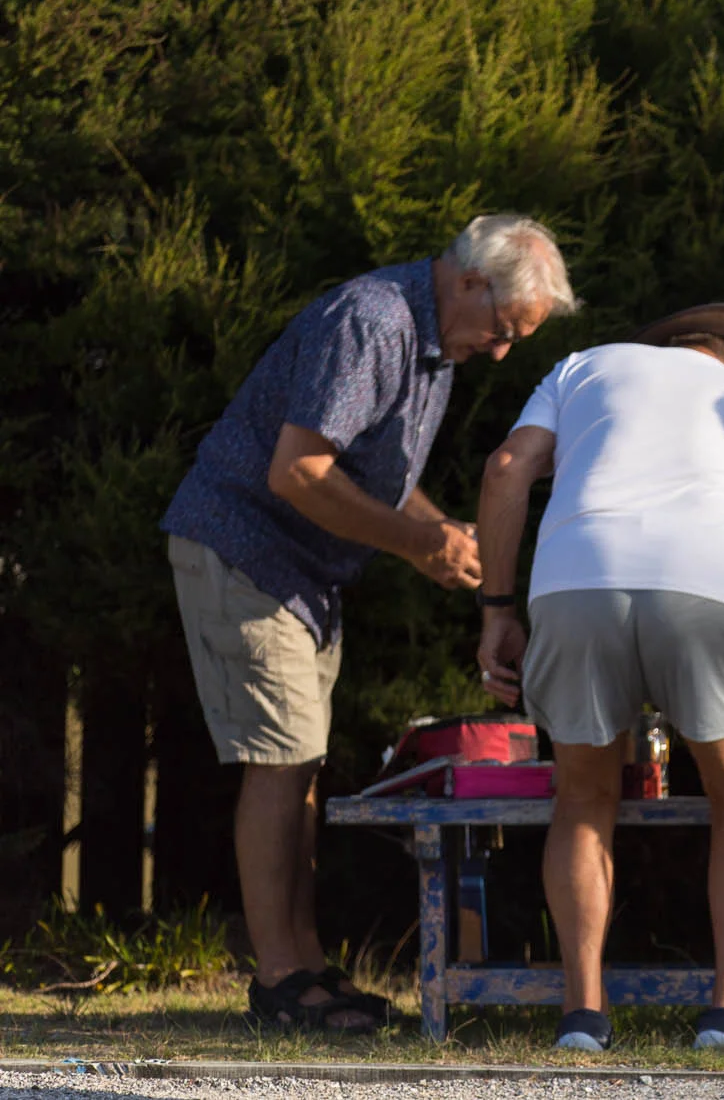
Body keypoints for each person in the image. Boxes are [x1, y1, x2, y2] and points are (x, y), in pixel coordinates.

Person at [160, 214, 575, 1030]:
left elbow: (370, 476)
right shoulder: (373, 321)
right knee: (279, 761)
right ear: (466, 282)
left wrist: (435, 538)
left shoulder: (431, 342)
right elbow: (298, 470)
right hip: (245, 551)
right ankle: (279, 981)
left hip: (301, 576)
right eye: (501, 330)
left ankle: (306, 962)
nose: (499, 350)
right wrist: (421, 541)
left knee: (301, 765)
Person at [475, 302, 724, 1054]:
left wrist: (498, 607)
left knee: (583, 798)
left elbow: (507, 468)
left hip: (576, 583)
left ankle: (582, 1017)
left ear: (665, 349)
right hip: (712, 591)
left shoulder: (586, 367)